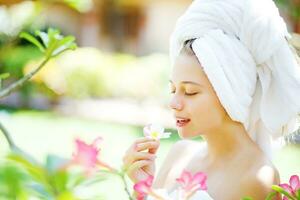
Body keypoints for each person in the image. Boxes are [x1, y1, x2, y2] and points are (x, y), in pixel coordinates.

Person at [122, 0, 300, 199]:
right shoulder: (179, 154)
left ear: (230, 94)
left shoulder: (256, 177)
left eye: (190, 91)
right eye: (173, 90)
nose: (174, 103)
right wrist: (144, 186)